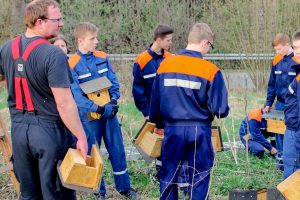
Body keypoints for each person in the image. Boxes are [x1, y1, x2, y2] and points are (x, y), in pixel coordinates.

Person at [0, 0, 88, 199]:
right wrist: (81, 136)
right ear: (39, 22)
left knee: (29, 193)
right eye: (57, 19)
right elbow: (64, 103)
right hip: (49, 132)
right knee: (55, 193)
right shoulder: (53, 54)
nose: (62, 24)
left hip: (20, 133)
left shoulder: (6, 48)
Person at [149, 22, 229, 200]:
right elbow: (220, 110)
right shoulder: (211, 71)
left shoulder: (165, 66)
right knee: (199, 176)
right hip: (199, 130)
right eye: (210, 46)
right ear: (204, 43)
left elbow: (155, 102)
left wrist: (158, 124)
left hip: (172, 129)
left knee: (169, 175)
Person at [68, 22, 136, 200]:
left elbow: (114, 82)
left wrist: (112, 103)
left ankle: (124, 188)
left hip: (110, 114)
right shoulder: (72, 64)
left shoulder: (102, 56)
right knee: (93, 153)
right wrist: (99, 109)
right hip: (90, 118)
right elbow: (77, 96)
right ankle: (99, 191)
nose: (96, 41)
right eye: (92, 39)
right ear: (81, 40)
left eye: (96, 38)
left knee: (117, 150)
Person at [132, 24, 173, 181]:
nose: (170, 43)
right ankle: (160, 174)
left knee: (171, 142)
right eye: (168, 40)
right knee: (158, 143)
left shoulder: (170, 59)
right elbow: (138, 91)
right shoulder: (141, 61)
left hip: (170, 111)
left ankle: (172, 172)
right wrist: (146, 112)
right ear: (158, 40)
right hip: (154, 113)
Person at [264, 33, 298, 171]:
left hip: (294, 104)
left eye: (279, 49)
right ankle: (281, 161)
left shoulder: (297, 59)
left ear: (287, 45)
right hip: (280, 103)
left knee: (292, 132)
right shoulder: (276, 60)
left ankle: (293, 161)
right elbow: (271, 84)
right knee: (279, 131)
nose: (277, 52)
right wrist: (268, 102)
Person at [283, 29, 300, 179]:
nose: (297, 52)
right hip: (292, 128)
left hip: (296, 132)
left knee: (292, 176)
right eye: (295, 48)